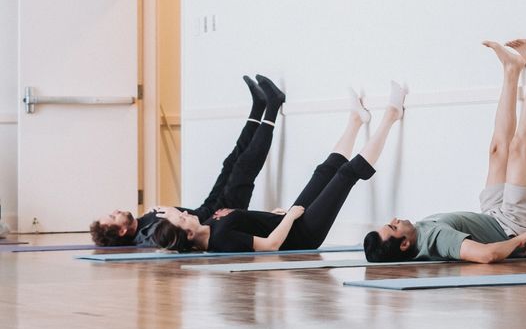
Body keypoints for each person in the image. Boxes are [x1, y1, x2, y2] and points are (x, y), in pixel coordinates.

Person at [150, 81, 406, 253]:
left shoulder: (210, 226)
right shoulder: (220, 239)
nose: (185, 214)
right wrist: (290, 218)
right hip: (303, 235)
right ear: (190, 236)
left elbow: (253, 227)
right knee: (346, 175)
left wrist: (273, 217)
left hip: (290, 221)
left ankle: (355, 121)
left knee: (324, 171)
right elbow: (270, 245)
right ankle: (391, 115)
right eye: (183, 219)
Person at [363, 39, 526, 264]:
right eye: (393, 226)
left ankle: (511, 70)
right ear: (404, 244)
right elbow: (486, 255)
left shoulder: (420, 233)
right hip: (516, 225)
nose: (395, 219)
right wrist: (519, 240)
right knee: (519, 149)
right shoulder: (436, 239)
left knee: (497, 150)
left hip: (493, 216)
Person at [89, 75, 284, 246]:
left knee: (231, 162)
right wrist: (172, 214)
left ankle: (258, 106)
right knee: (243, 167)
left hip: (208, 208)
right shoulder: (148, 236)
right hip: (218, 220)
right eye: (114, 217)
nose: (115, 211)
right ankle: (273, 105)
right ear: (122, 231)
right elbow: (174, 240)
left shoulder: (142, 221)